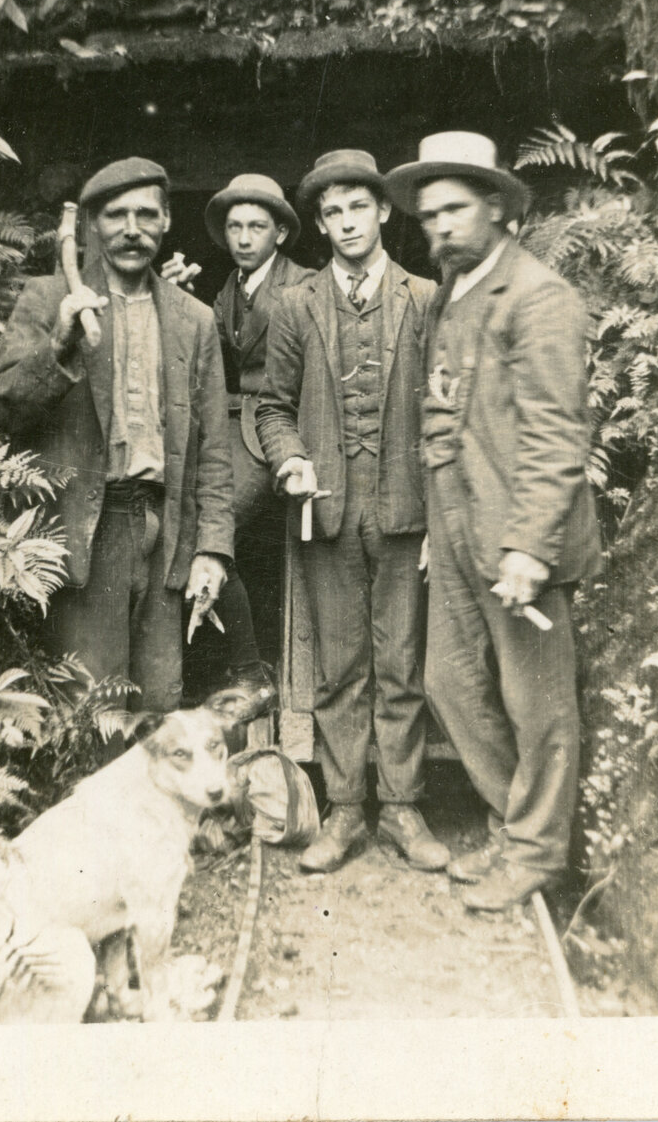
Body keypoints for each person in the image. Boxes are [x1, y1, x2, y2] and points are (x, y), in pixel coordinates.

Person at [383, 132, 601, 910]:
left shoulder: (537, 296)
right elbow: (447, 417)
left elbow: (554, 433)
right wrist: (438, 534)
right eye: (428, 213)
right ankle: (517, 827)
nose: (437, 226)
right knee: (446, 676)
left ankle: (537, 853)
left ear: (499, 207)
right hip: (456, 528)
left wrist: (528, 549)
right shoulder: (456, 289)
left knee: (538, 704)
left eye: (453, 209)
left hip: (516, 541)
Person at [0, 157, 234, 714]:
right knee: (89, 715)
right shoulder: (51, 300)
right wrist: (60, 346)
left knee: (156, 714)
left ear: (167, 221)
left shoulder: (194, 319)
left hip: (163, 535)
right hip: (83, 535)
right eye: (116, 215)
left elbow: (215, 450)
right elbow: (1, 408)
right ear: (94, 225)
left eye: (147, 214)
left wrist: (212, 549)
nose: (132, 228)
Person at [256, 148, 447, 874]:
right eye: (330, 212)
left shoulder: (425, 298)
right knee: (339, 670)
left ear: (383, 211)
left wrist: (439, 512)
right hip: (327, 513)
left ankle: (400, 807)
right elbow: (272, 408)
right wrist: (290, 458)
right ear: (319, 223)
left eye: (356, 207)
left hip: (404, 512)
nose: (343, 223)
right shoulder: (294, 304)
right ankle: (343, 808)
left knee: (400, 664)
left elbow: (444, 411)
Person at [201, 174, 315, 702]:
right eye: (234, 227)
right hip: (231, 428)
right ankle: (248, 665)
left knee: (212, 530)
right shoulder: (231, 286)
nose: (244, 238)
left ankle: (252, 670)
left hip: (275, 432)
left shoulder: (305, 284)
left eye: (256, 226)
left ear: (281, 234)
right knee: (196, 528)